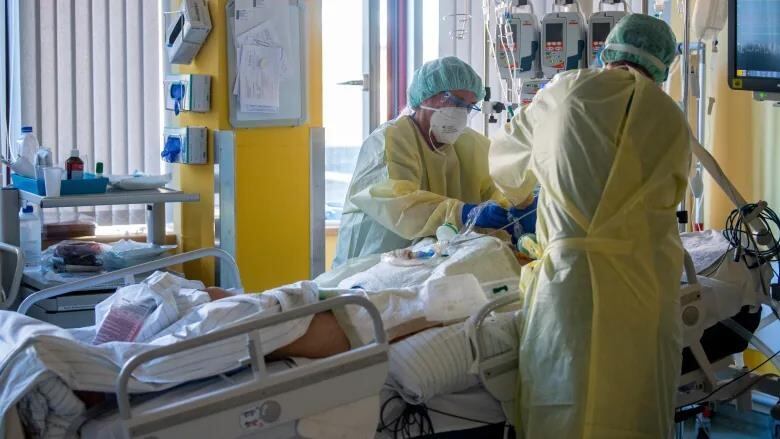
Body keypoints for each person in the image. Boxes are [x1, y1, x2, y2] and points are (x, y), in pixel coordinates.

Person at [489, 14, 691, 438]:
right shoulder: (670, 117)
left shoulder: (566, 92)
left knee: (566, 404)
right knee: (636, 408)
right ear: (662, 65)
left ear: (609, 50)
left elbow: (506, 170)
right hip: (644, 285)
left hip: (570, 286)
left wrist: (538, 196)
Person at [333, 56, 536, 268]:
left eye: (469, 107)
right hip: (373, 263)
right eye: (455, 102)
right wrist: (461, 213)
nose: (461, 113)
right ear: (424, 96)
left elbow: (498, 186)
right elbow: (396, 203)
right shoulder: (388, 141)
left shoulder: (471, 144)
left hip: (433, 266)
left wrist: (519, 207)